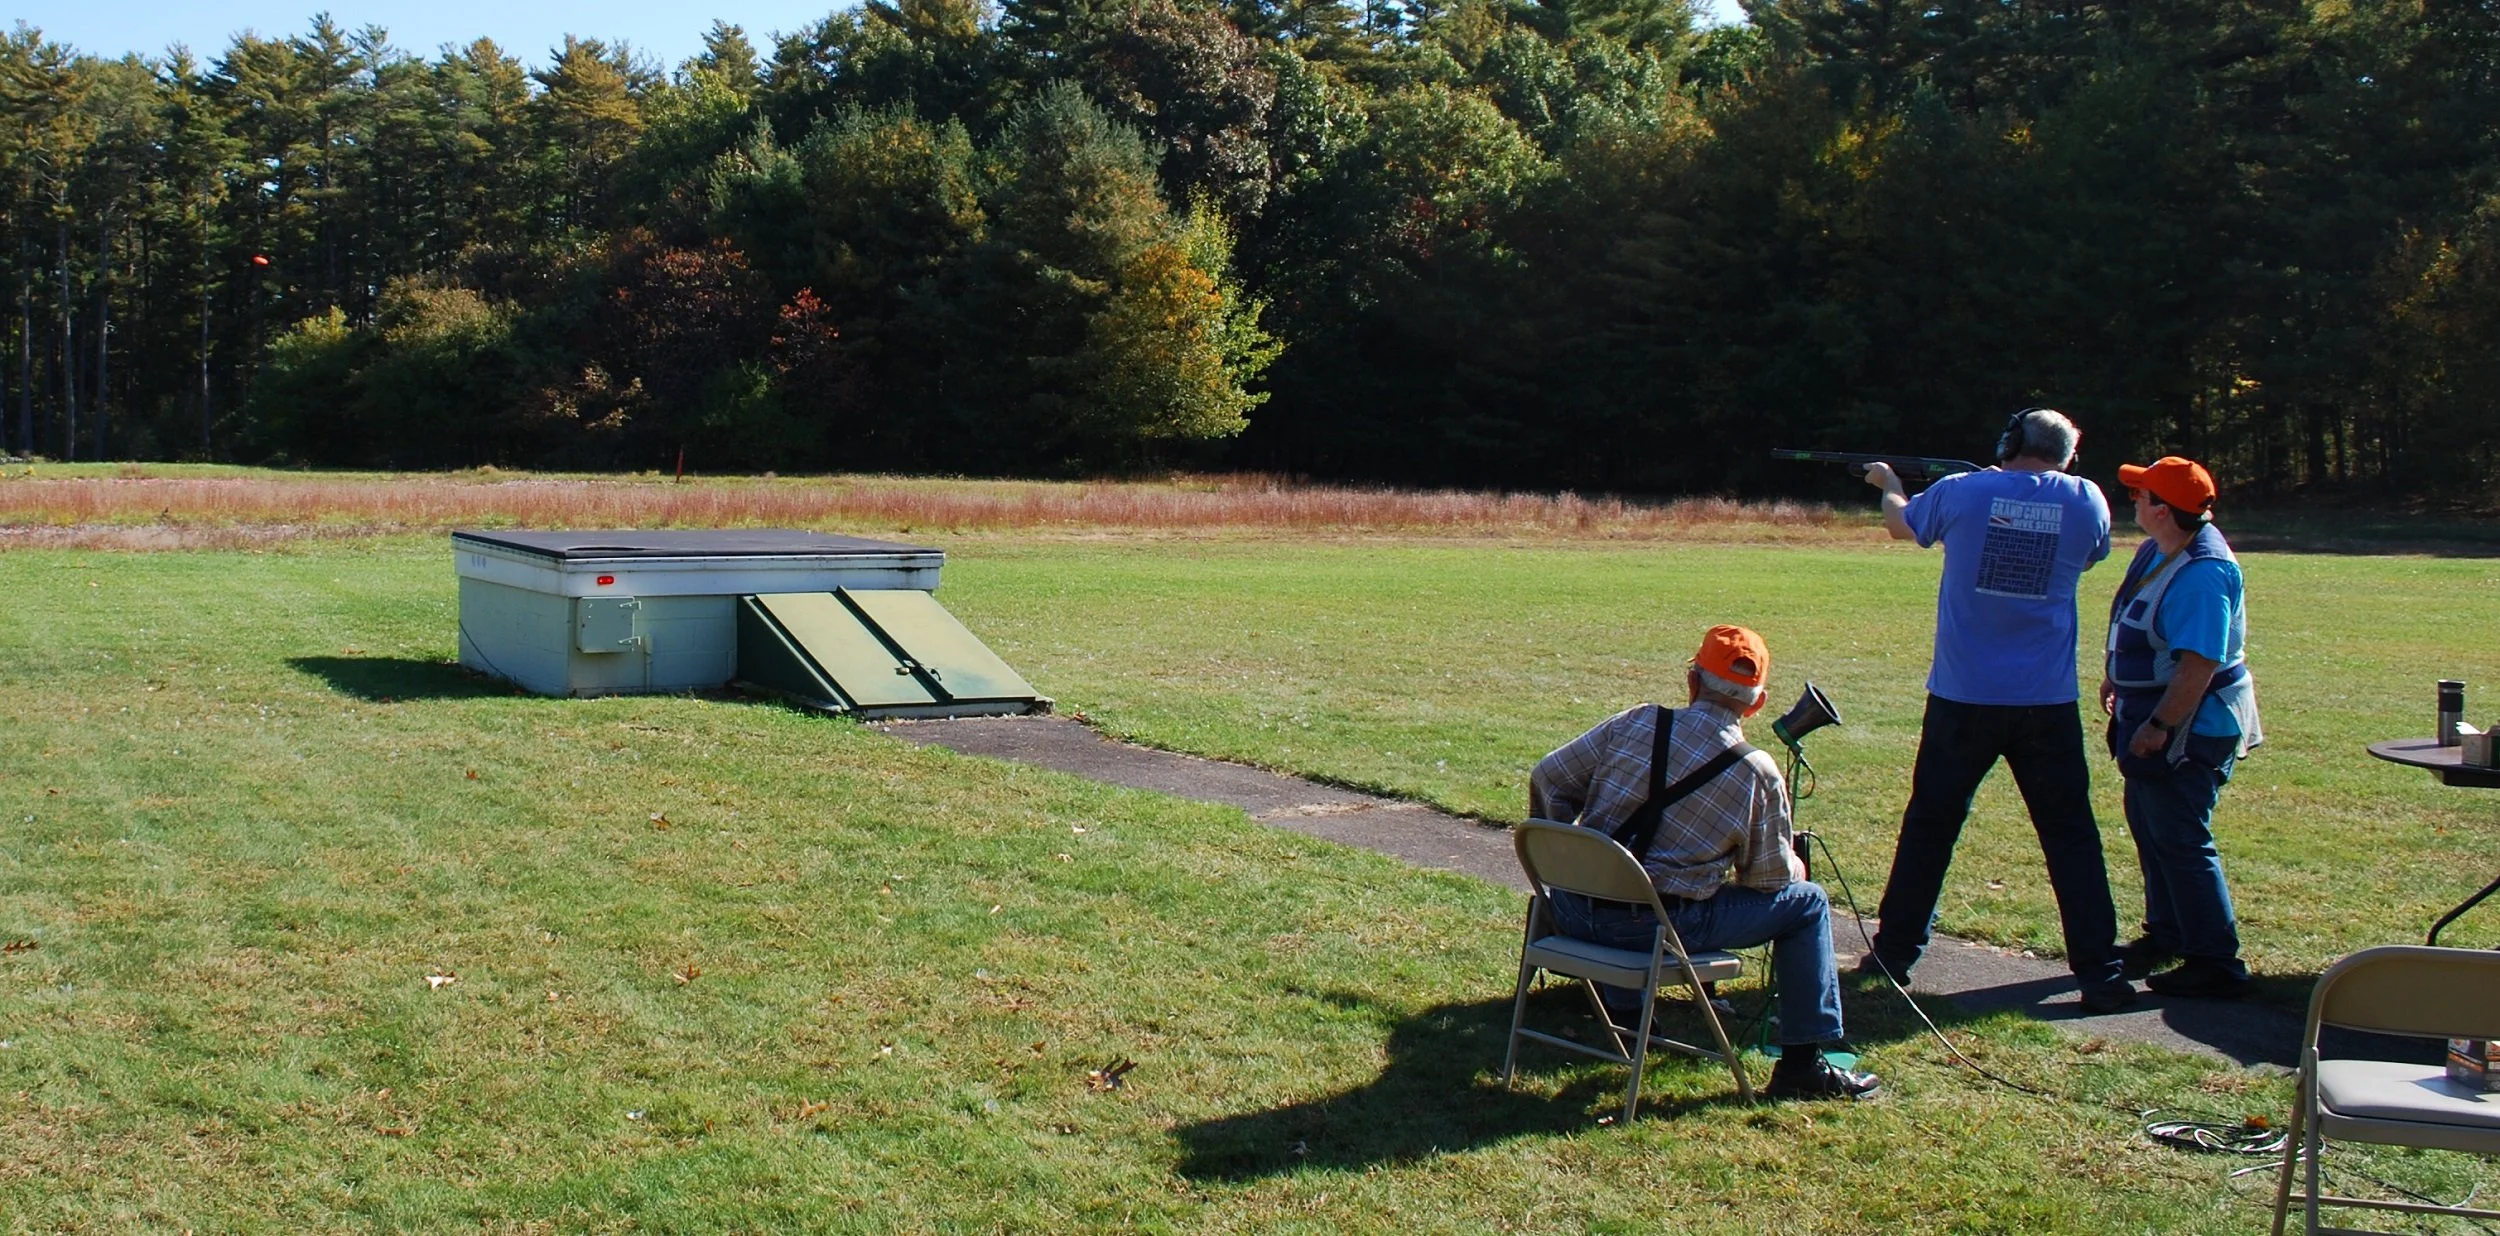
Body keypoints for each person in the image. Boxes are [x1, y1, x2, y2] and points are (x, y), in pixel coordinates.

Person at [1854, 409, 2137, 1014]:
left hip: (1963, 697)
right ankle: (2100, 972)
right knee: (2072, 838)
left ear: (2010, 443)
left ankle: (1894, 952)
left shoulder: (1963, 491)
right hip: (2047, 701)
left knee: (1931, 825)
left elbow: (1903, 527)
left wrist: (1891, 485)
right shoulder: (2089, 500)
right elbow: (2089, 557)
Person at [1529, 624, 1879, 1101]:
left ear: (1692, 681)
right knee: (1809, 904)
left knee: (1643, 890)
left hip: (1568, 912)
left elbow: (1549, 777)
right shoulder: (1757, 772)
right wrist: (1796, 864)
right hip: (1654, 931)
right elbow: (1767, 880)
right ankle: (1802, 1065)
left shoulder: (1636, 721)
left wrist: (1567, 864)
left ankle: (1627, 1011)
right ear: (1757, 704)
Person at [2099, 456, 2262, 998]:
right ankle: (2166, 935)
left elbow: (2198, 665)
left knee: (2182, 837)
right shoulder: (2159, 549)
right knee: (2151, 827)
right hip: (2152, 714)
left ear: (2163, 511)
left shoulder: (2202, 573)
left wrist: (2161, 725)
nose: (2134, 502)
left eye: (2141, 496)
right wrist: (2115, 679)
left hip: (2192, 722)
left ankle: (2215, 961)